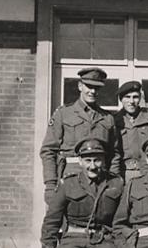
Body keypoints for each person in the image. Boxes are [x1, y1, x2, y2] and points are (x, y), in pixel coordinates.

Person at [41, 137, 124, 248]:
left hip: (103, 241)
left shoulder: (116, 184)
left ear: (104, 161)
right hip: (73, 240)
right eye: (88, 161)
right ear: (80, 161)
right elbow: (51, 223)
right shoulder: (68, 184)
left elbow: (123, 221)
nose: (92, 166)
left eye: (97, 160)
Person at [40, 68, 121, 204]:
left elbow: (115, 153)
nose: (93, 92)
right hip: (70, 176)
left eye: (97, 88)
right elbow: (48, 151)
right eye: (89, 87)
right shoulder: (63, 114)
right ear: (80, 86)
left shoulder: (107, 118)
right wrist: (50, 184)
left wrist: (114, 180)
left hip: (100, 179)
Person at [114, 80, 148, 182]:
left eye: (135, 97)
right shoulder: (114, 121)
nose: (131, 101)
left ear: (140, 98)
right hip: (123, 172)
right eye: (127, 97)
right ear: (121, 99)